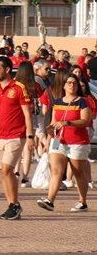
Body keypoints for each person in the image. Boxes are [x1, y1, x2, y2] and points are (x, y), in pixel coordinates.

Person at [0, 55, 34, 221]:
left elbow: (27, 114)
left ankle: (15, 204)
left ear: (7, 70)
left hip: (16, 135)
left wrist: (30, 136)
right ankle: (12, 204)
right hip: (0, 135)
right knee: (3, 173)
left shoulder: (18, 88)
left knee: (7, 169)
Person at [37, 73, 91, 212]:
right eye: (69, 83)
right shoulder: (58, 102)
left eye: (74, 83)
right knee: (56, 171)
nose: (72, 85)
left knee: (78, 172)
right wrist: (48, 142)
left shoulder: (83, 102)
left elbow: (85, 121)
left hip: (77, 141)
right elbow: (53, 123)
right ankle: (50, 200)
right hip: (59, 141)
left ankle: (82, 201)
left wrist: (68, 123)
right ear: (64, 86)